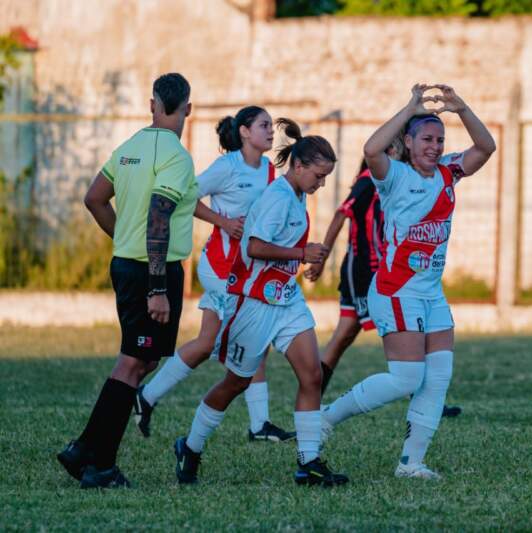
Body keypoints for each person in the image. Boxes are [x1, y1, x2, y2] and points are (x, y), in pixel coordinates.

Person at [320, 84, 495, 480]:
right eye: (426, 139)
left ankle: (411, 464)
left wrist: (462, 108)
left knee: (438, 377)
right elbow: (371, 149)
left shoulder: (449, 172)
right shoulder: (393, 176)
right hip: (396, 290)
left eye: (439, 140)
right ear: (410, 142)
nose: (434, 146)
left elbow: (486, 148)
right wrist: (409, 107)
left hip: (431, 293)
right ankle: (324, 419)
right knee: (405, 378)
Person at [173, 118, 348, 487]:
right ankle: (190, 446)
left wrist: (298, 259)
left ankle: (309, 463)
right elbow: (253, 247)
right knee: (235, 383)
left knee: (312, 375)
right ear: (298, 167)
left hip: (285, 299)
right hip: (252, 303)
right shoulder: (277, 196)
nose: (321, 184)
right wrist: (303, 253)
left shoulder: (297, 193)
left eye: (325, 177)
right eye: (318, 176)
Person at [57, 73, 197, 488]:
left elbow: (94, 198)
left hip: (128, 263)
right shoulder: (177, 156)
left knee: (143, 359)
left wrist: (122, 237)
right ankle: (98, 465)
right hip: (153, 270)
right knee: (134, 361)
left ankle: (84, 450)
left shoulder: (130, 146)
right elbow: (158, 218)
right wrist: (157, 287)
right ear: (188, 107)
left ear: (151, 103)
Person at [134, 105, 294, 443]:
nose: (270, 131)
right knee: (255, 334)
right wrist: (222, 222)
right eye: (263, 125)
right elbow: (186, 197)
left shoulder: (268, 170)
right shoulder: (227, 166)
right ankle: (258, 425)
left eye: (271, 126)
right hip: (221, 268)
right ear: (245, 132)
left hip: (245, 271)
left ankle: (147, 396)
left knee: (211, 343)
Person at [307, 141, 463, 417]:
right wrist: (322, 257)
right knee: (352, 336)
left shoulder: (405, 179)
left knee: (345, 336)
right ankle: (313, 406)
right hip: (363, 268)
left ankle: (425, 396)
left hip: (381, 270)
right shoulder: (370, 180)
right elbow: (342, 213)